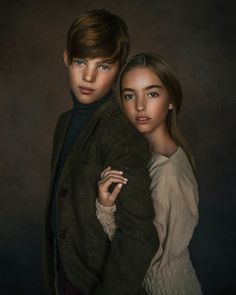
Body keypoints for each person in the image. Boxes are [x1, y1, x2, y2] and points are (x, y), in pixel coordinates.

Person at [43, 10, 158, 295]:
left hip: (100, 284)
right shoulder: (64, 123)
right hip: (63, 274)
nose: (89, 76)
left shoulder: (121, 132)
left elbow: (139, 236)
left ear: (119, 69)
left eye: (104, 66)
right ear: (67, 58)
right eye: (81, 62)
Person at [96, 53, 202, 294]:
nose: (140, 106)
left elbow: (142, 251)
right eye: (129, 96)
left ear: (171, 100)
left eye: (152, 94)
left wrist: (105, 209)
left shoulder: (167, 173)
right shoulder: (147, 154)